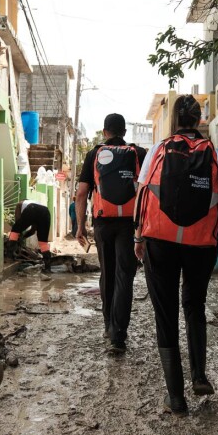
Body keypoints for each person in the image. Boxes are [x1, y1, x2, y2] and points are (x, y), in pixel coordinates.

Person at [133, 95, 218, 415]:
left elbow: (143, 192)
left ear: (174, 119)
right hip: (202, 244)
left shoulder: (158, 150)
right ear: (199, 119)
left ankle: (176, 397)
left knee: (166, 312)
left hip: (159, 240)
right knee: (194, 304)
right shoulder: (212, 152)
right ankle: (199, 375)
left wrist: (138, 236)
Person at [75, 113, 146, 355]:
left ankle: (108, 325)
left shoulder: (94, 153)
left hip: (103, 223)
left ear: (105, 132)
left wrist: (80, 225)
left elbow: (82, 192)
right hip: (129, 223)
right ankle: (119, 336)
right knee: (124, 276)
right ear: (124, 132)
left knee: (107, 273)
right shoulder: (138, 154)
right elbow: (148, 191)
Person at [6, 199, 52, 272]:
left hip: (32, 208)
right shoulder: (38, 205)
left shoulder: (20, 204)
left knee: (15, 229)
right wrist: (23, 237)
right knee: (43, 241)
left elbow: (17, 223)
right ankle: (47, 267)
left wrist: (19, 237)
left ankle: (9, 255)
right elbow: (32, 231)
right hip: (46, 212)